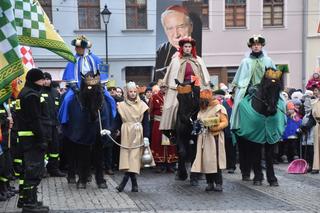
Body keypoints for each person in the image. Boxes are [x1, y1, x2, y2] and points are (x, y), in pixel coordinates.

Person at [230, 35, 276, 181]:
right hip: (249, 90)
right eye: (254, 45)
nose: (256, 47)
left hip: (266, 91)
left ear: (262, 46)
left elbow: (274, 77)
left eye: (258, 45)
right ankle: (237, 125)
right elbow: (239, 80)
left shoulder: (268, 61)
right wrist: (248, 87)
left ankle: (279, 127)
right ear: (250, 47)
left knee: (278, 101)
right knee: (240, 104)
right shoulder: (245, 62)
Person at [159, 37, 210, 135]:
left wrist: (201, 87)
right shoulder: (176, 60)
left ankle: (205, 125)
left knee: (205, 104)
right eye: (185, 46)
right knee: (172, 105)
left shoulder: (198, 60)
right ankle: (170, 129)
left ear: (192, 48)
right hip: (180, 87)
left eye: (189, 46)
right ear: (182, 48)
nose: (187, 48)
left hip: (195, 86)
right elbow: (170, 77)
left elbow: (202, 76)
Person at [15, 68, 49, 212]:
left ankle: (26, 199)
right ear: (36, 80)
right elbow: (35, 120)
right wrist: (42, 138)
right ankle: (30, 204)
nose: (43, 82)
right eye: (41, 80)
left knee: (27, 169)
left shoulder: (23, 93)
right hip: (32, 138)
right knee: (34, 169)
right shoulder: (31, 95)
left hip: (24, 137)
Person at [114, 81, 155, 192]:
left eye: (134, 91)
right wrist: (111, 130)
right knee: (129, 159)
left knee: (133, 158)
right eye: (130, 92)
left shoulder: (142, 105)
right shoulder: (121, 106)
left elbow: (146, 122)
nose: (132, 94)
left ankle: (123, 183)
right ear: (127, 93)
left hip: (138, 133)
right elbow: (117, 121)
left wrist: (146, 136)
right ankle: (134, 184)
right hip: (126, 133)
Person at [191, 89, 228, 192]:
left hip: (214, 138)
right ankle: (209, 183)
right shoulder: (201, 110)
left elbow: (225, 122)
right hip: (203, 137)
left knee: (215, 161)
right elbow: (198, 123)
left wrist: (215, 127)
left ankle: (218, 183)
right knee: (206, 161)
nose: (202, 102)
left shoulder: (219, 108)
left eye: (204, 100)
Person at [154, 5, 193, 81]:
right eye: (170, 28)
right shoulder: (162, 50)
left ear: (190, 27)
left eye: (181, 26)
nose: (176, 34)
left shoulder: (198, 47)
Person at [41, 72, 66, 177]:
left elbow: (59, 109)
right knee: (43, 149)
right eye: (44, 79)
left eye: (48, 79)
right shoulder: (38, 91)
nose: (46, 81)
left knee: (55, 149)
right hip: (43, 125)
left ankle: (54, 169)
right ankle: (42, 170)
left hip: (54, 126)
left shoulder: (55, 92)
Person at [150, 81, 178, 173]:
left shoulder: (173, 98)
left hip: (170, 123)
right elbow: (150, 112)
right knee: (158, 143)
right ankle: (160, 164)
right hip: (158, 123)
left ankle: (171, 164)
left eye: (165, 87)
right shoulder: (154, 97)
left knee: (171, 144)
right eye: (162, 87)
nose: (164, 89)